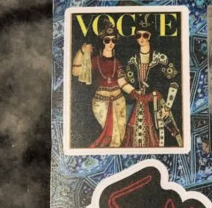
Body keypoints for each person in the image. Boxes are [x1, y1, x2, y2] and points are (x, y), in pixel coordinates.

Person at [120, 18, 182, 148]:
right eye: (138, 35)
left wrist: (167, 107)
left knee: (162, 137)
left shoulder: (160, 59)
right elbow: (123, 81)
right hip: (138, 104)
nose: (141, 38)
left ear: (150, 36)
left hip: (156, 104)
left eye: (145, 35)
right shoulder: (132, 61)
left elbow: (175, 80)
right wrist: (133, 91)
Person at [72, 23, 128, 148]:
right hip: (101, 103)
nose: (110, 43)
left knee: (120, 137)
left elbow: (122, 82)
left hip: (119, 101)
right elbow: (75, 72)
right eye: (107, 40)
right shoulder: (95, 61)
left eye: (113, 40)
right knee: (111, 137)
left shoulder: (117, 62)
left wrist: (135, 93)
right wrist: (82, 51)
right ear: (102, 41)